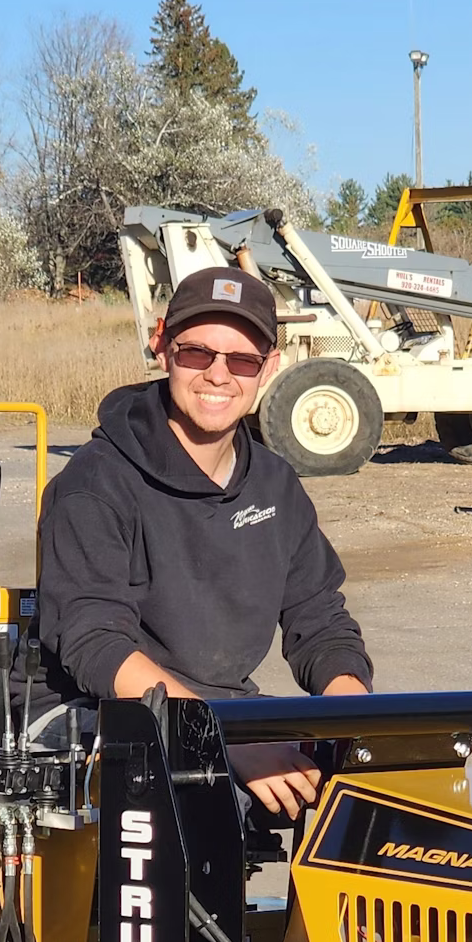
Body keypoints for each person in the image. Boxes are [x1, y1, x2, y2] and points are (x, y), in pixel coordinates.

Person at [35, 266, 371, 818]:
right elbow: (95, 642)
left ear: (269, 369)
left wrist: (358, 728)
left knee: (376, 792)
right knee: (203, 797)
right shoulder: (94, 484)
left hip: (225, 712)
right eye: (197, 353)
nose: (219, 375)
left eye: (242, 360)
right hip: (96, 713)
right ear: (162, 347)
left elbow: (320, 619)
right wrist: (223, 739)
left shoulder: (274, 484)